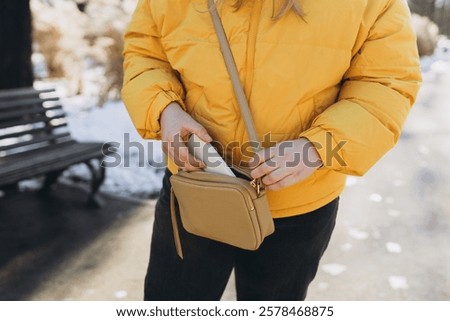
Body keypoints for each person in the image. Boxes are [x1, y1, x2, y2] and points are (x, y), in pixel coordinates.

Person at [122, 0, 421, 300]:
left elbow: (387, 82)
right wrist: (164, 109)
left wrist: (319, 146)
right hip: (196, 187)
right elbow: (145, 52)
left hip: (296, 205)